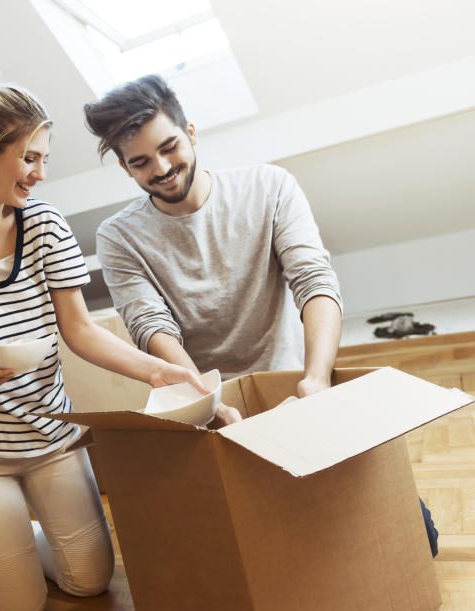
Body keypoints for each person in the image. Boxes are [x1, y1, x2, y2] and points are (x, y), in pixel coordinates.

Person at [0, 64, 209, 611]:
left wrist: (157, 372)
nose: (40, 174)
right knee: (21, 610)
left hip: (51, 437)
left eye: (44, 160)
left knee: (91, 581)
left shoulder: (46, 226)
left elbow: (78, 331)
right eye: (30, 158)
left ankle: (17, 542)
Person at [83, 73, 438, 557]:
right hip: (207, 407)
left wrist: (316, 381)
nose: (162, 168)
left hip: (294, 392)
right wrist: (208, 402)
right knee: (251, 558)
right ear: (126, 170)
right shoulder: (118, 237)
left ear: (191, 131)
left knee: (420, 541)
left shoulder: (268, 187)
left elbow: (314, 282)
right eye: (142, 162)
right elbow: (151, 327)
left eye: (169, 147)